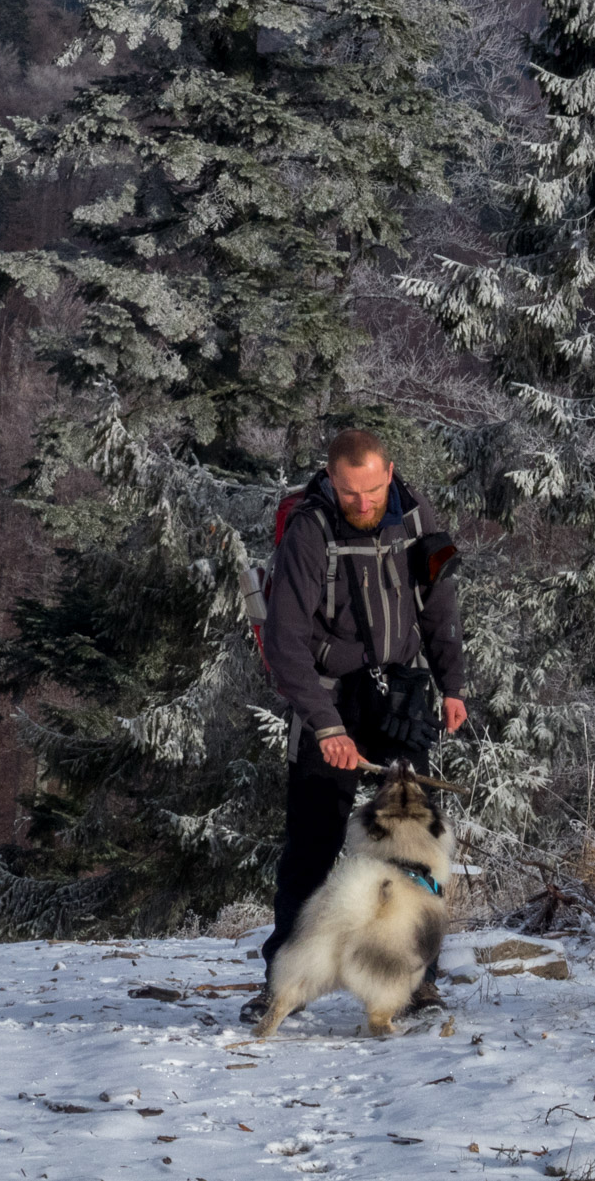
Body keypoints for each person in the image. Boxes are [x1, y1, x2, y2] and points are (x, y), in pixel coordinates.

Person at [242, 429, 467, 1024]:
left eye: (371, 490)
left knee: (414, 851)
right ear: (331, 479)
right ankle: (279, 985)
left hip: (400, 694)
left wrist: (454, 685)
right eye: (349, 492)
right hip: (329, 697)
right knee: (312, 844)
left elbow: (439, 606)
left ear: (389, 472)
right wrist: (324, 726)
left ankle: (417, 982)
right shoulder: (308, 532)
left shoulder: (417, 516)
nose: (362, 504)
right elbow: (286, 645)